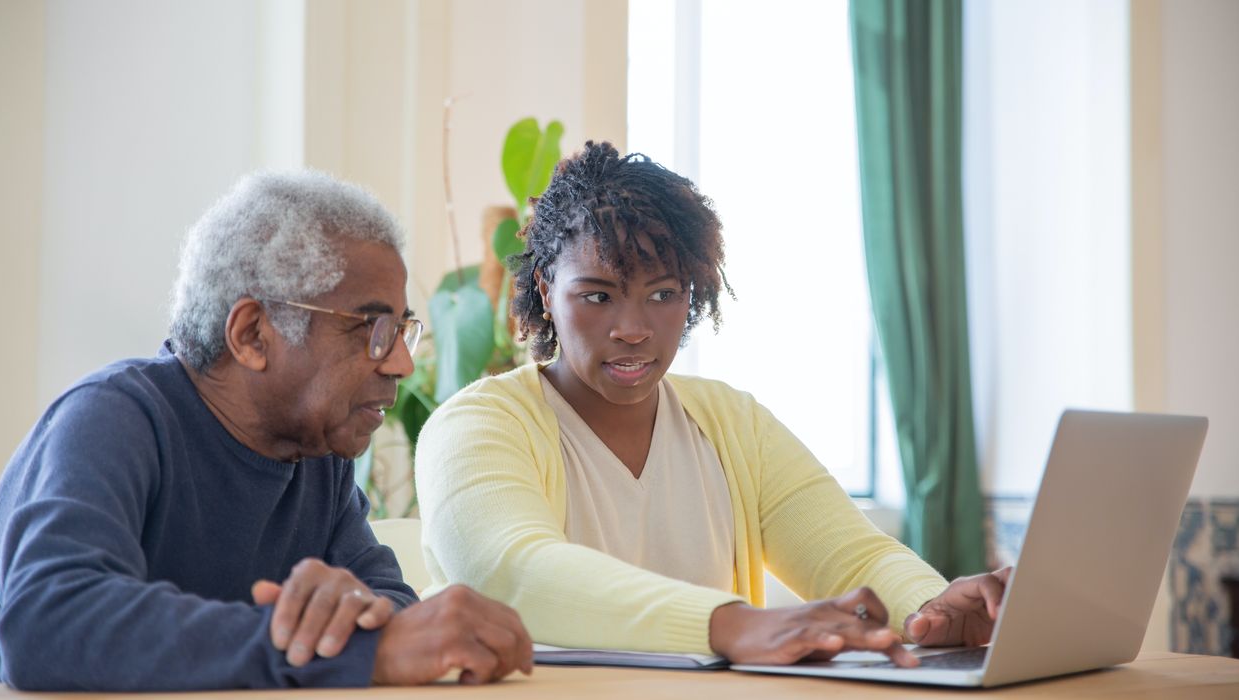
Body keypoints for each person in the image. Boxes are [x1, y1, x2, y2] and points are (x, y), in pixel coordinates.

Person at [415, 142, 1012, 666]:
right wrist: (732, 625)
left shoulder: (733, 423)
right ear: (546, 290)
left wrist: (930, 612)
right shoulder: (477, 427)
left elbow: (850, 555)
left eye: (663, 294)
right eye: (597, 295)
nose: (633, 328)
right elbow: (513, 573)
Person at [0, 172, 532, 690]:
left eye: (400, 331)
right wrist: (351, 651)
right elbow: (47, 621)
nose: (400, 365)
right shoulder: (112, 419)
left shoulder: (317, 455)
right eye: (372, 330)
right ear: (252, 334)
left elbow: (387, 598)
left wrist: (358, 621)